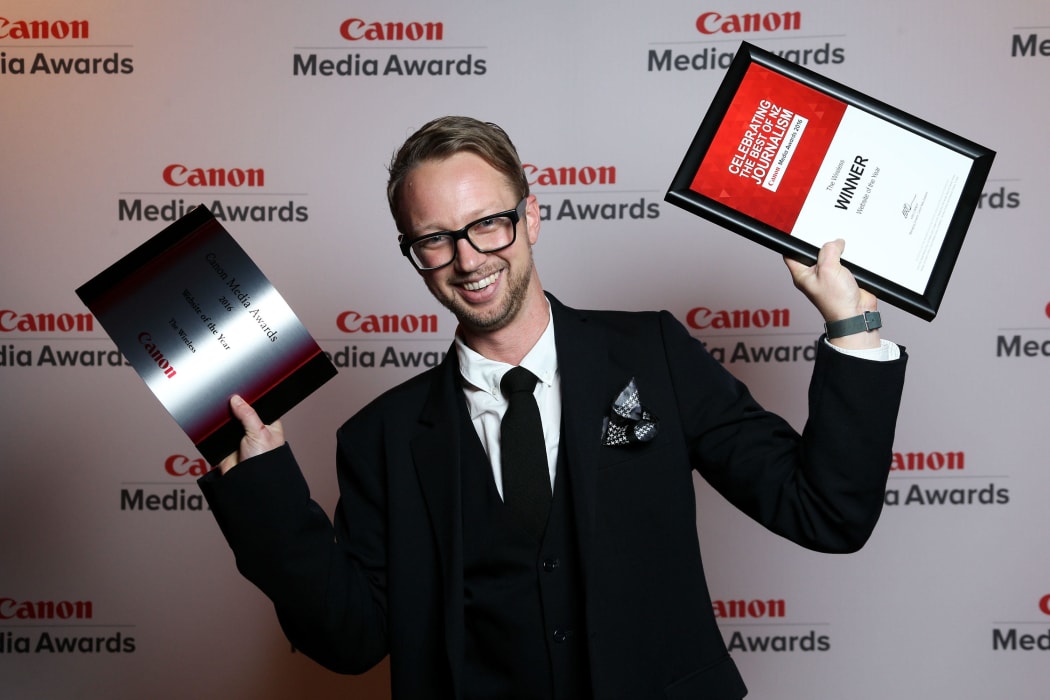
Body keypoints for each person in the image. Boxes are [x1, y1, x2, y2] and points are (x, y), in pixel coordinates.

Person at [199, 115, 907, 699]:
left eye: (489, 225)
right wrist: (262, 492)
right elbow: (351, 642)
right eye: (435, 239)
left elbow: (827, 512)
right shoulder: (379, 436)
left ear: (531, 217)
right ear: (411, 251)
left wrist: (851, 328)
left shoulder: (650, 353)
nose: (468, 259)